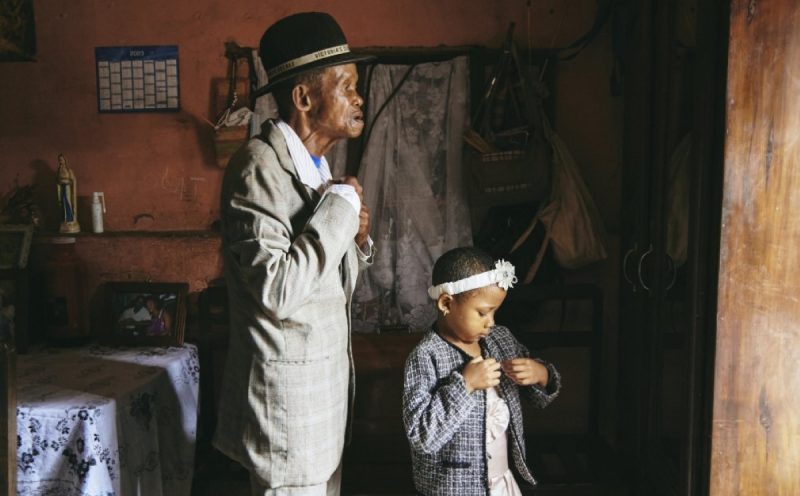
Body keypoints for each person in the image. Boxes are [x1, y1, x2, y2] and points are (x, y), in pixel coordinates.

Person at [212, 11, 374, 496]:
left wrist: (357, 240)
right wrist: (340, 212)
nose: (358, 98)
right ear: (303, 98)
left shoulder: (315, 165)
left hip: (319, 410)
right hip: (287, 419)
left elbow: (325, 286)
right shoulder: (257, 169)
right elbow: (278, 291)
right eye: (345, 86)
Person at [403, 247, 561, 495]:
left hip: (500, 484)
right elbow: (421, 436)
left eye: (495, 312)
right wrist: (464, 386)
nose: (492, 322)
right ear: (446, 303)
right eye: (482, 312)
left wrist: (541, 374)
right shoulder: (426, 356)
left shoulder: (501, 340)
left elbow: (538, 397)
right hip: (453, 489)